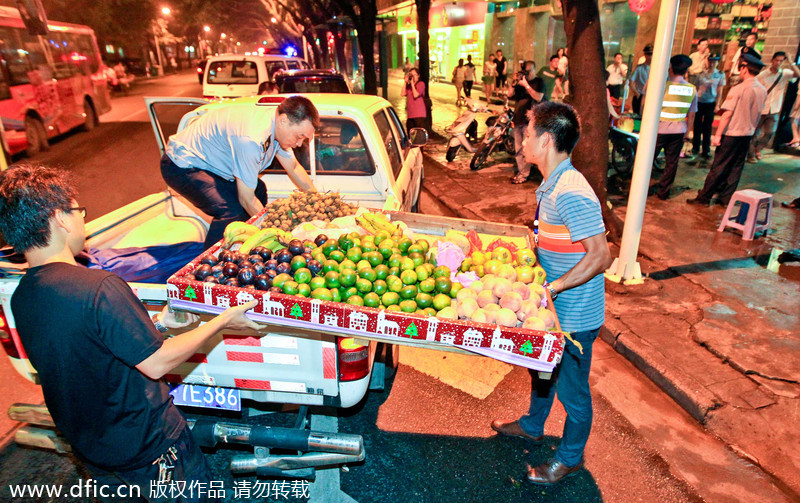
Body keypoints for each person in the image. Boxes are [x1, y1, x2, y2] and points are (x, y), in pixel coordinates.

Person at [0, 165, 264, 502]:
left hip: (93, 450)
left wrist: (161, 326)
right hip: (148, 447)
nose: (81, 219)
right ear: (61, 218)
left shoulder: (24, 294)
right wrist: (223, 321)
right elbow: (155, 364)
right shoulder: (98, 286)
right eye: (78, 210)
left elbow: (94, 351)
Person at [492, 101, 612, 485]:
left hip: (574, 315)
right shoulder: (552, 183)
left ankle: (570, 458)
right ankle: (532, 424)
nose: (523, 141)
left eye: (527, 134)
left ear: (545, 140)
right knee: (543, 369)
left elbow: (601, 255)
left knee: (572, 391)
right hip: (555, 309)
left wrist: (553, 286)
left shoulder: (571, 191)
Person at [161, 95, 318, 249]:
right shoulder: (252, 138)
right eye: (300, 136)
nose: (299, 144)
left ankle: (251, 247)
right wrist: (276, 235)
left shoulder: (276, 126)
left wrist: (317, 202)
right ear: (283, 120)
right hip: (181, 164)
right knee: (231, 212)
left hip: (211, 166)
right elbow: (246, 199)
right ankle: (210, 265)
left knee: (259, 190)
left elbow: (294, 167)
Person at [688, 53, 767, 206]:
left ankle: (704, 198)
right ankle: (725, 198)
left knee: (719, 166)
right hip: (747, 134)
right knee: (736, 167)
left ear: (744, 69)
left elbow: (727, 114)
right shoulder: (762, 89)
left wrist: (717, 135)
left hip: (732, 134)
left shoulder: (738, 89)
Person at [651, 55, 697, 200]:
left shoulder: (663, 86)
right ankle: (663, 193)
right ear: (686, 71)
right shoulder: (691, 89)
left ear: (670, 69)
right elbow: (692, 113)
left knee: (647, 160)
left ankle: (641, 189)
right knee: (672, 162)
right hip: (678, 131)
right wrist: (688, 131)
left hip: (659, 130)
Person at [748, 52, 800, 162]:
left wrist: (791, 62)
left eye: (781, 61)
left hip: (774, 109)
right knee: (755, 133)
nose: (779, 63)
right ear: (772, 60)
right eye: (777, 60)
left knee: (770, 132)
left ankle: (758, 149)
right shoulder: (763, 74)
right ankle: (751, 154)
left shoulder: (784, 74)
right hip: (761, 108)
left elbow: (798, 74)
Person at [507, 61, 545, 184]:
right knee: (518, 149)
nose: (527, 74)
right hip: (518, 119)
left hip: (530, 121)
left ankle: (524, 174)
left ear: (534, 70)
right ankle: (522, 172)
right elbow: (509, 95)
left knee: (526, 148)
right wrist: (514, 83)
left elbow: (538, 97)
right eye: (525, 72)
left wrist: (527, 86)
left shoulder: (539, 82)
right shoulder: (519, 84)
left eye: (529, 71)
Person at [692, 54, 726, 159]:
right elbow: (696, 89)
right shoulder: (701, 74)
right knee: (697, 126)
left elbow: (720, 91)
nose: (712, 63)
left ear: (717, 62)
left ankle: (706, 149)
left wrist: (717, 104)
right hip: (700, 102)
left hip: (710, 102)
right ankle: (695, 147)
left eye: (714, 61)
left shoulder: (720, 75)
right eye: (710, 61)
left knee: (707, 127)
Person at [401, 67, 427, 133]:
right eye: (411, 75)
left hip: (419, 114)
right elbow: (402, 93)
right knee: (410, 133)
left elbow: (416, 95)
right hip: (410, 114)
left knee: (419, 134)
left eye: (414, 75)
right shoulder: (409, 86)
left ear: (418, 76)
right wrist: (405, 82)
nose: (413, 77)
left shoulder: (421, 84)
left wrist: (412, 84)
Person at [630, 44, 653, 116]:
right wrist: (637, 93)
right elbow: (630, 82)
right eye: (648, 54)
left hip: (652, 97)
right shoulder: (639, 68)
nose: (650, 56)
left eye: (651, 54)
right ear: (644, 54)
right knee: (638, 118)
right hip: (640, 96)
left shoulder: (658, 68)